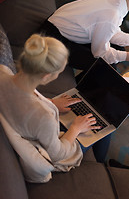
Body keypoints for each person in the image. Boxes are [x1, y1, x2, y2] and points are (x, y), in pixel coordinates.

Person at [0, 34, 110, 168]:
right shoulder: (44, 116)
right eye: (58, 72)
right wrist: (76, 128)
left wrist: (51, 102)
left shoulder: (3, 72)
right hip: (44, 143)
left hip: (23, 123)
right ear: (46, 76)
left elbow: (19, 99)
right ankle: (100, 166)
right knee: (105, 123)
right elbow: (58, 154)